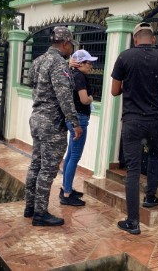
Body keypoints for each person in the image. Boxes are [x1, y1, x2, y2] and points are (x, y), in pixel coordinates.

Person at [111, 22, 158, 234]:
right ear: (153, 39)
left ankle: (133, 221)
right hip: (156, 119)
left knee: (133, 171)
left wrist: (131, 86)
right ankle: (150, 196)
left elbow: (114, 91)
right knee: (155, 155)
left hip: (132, 120)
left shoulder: (124, 57)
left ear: (135, 39)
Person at [24, 26, 83, 226]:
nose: (71, 50)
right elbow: (64, 96)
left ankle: (30, 207)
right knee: (47, 170)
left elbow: (31, 83)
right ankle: (40, 214)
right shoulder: (59, 64)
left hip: (37, 119)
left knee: (35, 165)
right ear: (65, 43)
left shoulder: (38, 60)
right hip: (52, 124)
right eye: (70, 46)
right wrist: (74, 123)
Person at [60, 49, 98, 206]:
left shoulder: (70, 75)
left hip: (72, 117)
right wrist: (91, 98)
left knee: (70, 154)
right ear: (80, 64)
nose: (90, 66)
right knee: (75, 155)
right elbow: (83, 99)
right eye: (88, 63)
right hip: (79, 119)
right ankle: (67, 194)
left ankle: (66, 187)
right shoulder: (80, 77)